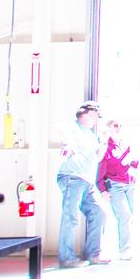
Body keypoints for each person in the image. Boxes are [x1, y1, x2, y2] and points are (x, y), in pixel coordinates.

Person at [57, 101, 108, 268]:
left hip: (87, 181)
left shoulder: (91, 135)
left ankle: (93, 254)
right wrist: (68, 145)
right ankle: (67, 258)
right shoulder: (72, 127)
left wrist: (104, 142)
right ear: (85, 113)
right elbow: (64, 135)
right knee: (70, 217)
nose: (96, 120)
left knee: (99, 212)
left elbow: (98, 157)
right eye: (94, 116)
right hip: (73, 177)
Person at [97, 118, 138, 259]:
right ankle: (125, 250)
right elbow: (101, 168)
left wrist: (133, 163)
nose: (118, 128)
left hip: (130, 183)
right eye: (115, 125)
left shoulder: (126, 144)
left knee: (131, 215)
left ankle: (129, 246)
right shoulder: (105, 147)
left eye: (120, 125)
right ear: (109, 128)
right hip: (115, 185)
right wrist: (102, 189)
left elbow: (135, 163)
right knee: (124, 215)